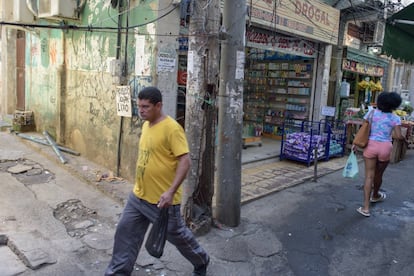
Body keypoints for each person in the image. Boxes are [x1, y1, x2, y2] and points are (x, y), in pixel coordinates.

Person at [105, 87, 209, 275]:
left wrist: (170, 192)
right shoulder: (146, 125)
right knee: (125, 233)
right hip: (138, 197)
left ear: (158, 105)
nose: (141, 110)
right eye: (139, 106)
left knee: (178, 236)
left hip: (162, 202)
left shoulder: (172, 129)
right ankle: (117, 272)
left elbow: (185, 161)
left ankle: (201, 259)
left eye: (145, 107)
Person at [355, 92, 407, 217]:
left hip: (371, 146)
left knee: (369, 176)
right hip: (385, 147)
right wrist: (403, 139)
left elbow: (364, 128)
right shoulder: (395, 118)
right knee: (379, 174)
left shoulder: (371, 113)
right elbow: (398, 136)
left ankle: (366, 208)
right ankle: (376, 195)